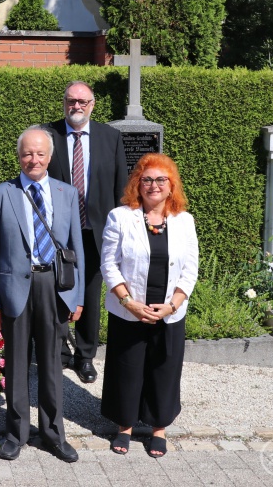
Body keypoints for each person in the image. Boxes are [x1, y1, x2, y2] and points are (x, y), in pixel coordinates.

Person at [0, 126, 85, 462]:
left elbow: (76, 250)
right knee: (16, 365)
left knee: (53, 365)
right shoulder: (1, 194)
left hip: (54, 288)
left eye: (40, 153)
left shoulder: (67, 193)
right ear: (18, 156)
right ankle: (16, 433)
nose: (33, 159)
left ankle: (54, 434)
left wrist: (78, 296)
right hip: (15, 290)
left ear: (50, 157)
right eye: (27, 153)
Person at [100, 153, 198, 458]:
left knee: (164, 368)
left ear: (171, 186)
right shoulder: (120, 216)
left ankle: (158, 428)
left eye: (160, 179)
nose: (153, 185)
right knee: (127, 367)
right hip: (129, 309)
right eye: (146, 179)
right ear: (137, 184)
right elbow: (108, 263)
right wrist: (128, 302)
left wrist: (174, 304)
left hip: (169, 310)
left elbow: (191, 268)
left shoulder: (184, 221)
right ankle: (125, 425)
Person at [44, 81, 127, 384]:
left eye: (82, 101)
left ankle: (85, 356)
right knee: (54, 291)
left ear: (92, 104)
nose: (76, 106)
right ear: (63, 103)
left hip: (96, 232)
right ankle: (57, 353)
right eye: (71, 101)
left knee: (90, 297)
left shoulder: (110, 137)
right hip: (56, 234)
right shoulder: (47, 135)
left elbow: (121, 188)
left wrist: (122, 230)